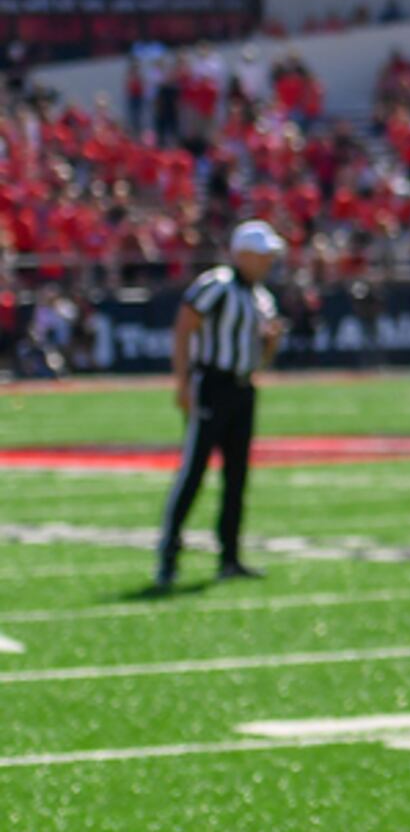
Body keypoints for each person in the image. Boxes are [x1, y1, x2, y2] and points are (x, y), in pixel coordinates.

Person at [154, 220, 285, 590]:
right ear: (243, 253)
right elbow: (184, 327)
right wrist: (182, 383)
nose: (268, 262)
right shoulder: (217, 285)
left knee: (237, 476)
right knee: (194, 472)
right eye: (263, 255)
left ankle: (230, 556)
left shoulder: (261, 297)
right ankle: (169, 553)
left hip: (244, 388)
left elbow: (262, 357)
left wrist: (271, 342)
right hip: (212, 384)